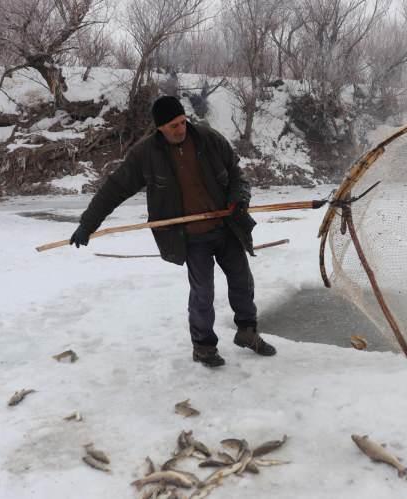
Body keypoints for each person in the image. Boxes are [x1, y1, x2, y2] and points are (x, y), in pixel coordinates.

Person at [69, 95, 276, 367]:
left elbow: (237, 175)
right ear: (160, 129)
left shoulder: (208, 139)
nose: (180, 129)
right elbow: (114, 189)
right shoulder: (146, 155)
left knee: (242, 281)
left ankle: (247, 332)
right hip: (191, 237)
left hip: (226, 227)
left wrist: (239, 200)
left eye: (182, 122)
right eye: (173, 126)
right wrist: (88, 224)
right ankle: (203, 346)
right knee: (203, 294)